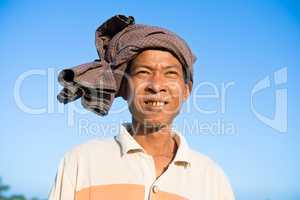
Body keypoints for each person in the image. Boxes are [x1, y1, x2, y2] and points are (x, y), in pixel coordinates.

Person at [49, 15, 235, 200]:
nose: (156, 85)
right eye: (143, 72)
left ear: (186, 90)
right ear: (124, 85)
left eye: (170, 73)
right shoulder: (81, 162)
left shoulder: (212, 180)